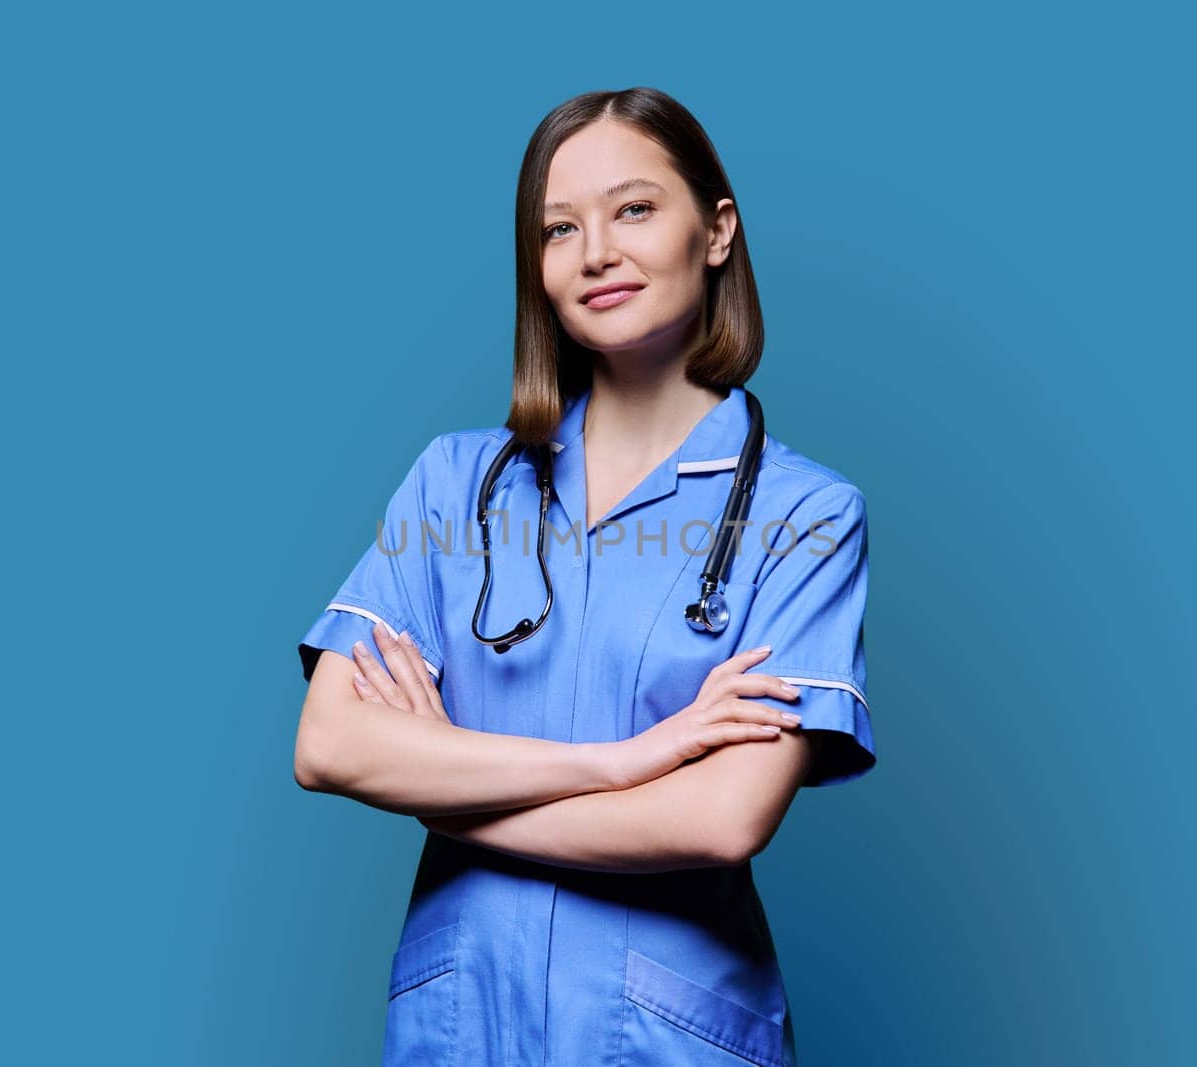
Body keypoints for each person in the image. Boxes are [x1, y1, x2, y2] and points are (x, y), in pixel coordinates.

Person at [293, 86, 875, 1066]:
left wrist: (445, 780)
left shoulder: (804, 515)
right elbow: (331, 742)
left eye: (633, 209)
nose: (595, 250)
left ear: (718, 230)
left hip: (667, 1032)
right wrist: (623, 761)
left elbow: (721, 816)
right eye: (559, 227)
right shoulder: (453, 483)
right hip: (460, 1021)